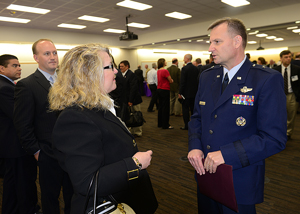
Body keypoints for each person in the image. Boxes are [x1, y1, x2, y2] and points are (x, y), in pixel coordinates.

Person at [188, 17, 286, 214]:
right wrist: (195, 147)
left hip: (239, 178)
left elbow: (274, 138)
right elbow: (197, 118)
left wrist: (227, 154)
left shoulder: (265, 79)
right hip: (206, 175)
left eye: (216, 41)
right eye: (210, 42)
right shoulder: (207, 76)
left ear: (237, 41)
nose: (210, 48)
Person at [48, 43, 158, 214]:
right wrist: (134, 163)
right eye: (110, 66)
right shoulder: (75, 118)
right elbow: (87, 182)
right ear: (89, 75)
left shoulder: (98, 106)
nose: (115, 71)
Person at [14, 39, 73, 214]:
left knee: (73, 195)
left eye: (54, 52)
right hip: (47, 153)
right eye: (47, 53)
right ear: (36, 57)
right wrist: (37, 152)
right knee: (50, 198)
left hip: (72, 152)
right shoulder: (27, 85)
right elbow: (22, 124)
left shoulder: (66, 81)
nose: (53, 57)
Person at [0, 54, 39, 214]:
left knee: (12, 183)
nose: (19, 68)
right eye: (14, 65)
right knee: (23, 183)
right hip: (16, 146)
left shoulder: (7, 85)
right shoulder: (5, 88)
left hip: (11, 146)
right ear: (2, 68)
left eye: (19, 65)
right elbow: (20, 115)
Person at [273, 50, 300, 140]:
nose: (288, 59)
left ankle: (288, 133)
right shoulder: (275, 70)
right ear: (281, 58)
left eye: (289, 57)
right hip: (279, 95)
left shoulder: (297, 69)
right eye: (286, 57)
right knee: (279, 115)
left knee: (291, 115)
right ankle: (279, 131)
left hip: (292, 95)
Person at [119, 60, 143, 137]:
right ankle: (129, 131)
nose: (120, 67)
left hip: (134, 99)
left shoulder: (132, 75)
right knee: (128, 115)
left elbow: (133, 89)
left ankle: (138, 132)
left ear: (127, 66)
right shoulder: (120, 74)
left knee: (137, 115)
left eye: (122, 66)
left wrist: (130, 100)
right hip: (125, 100)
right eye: (120, 66)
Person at [178, 54, 199, 130]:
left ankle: (186, 125)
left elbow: (182, 82)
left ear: (187, 59)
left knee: (185, 110)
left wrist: (180, 92)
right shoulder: (196, 69)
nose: (183, 59)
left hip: (186, 94)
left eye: (184, 58)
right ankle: (194, 124)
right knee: (193, 110)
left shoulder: (184, 69)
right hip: (194, 93)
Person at [157, 58, 173, 129]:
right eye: (165, 61)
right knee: (166, 107)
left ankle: (160, 123)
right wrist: (172, 80)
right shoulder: (165, 71)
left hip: (159, 89)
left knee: (160, 106)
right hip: (165, 89)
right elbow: (170, 80)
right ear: (163, 63)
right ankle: (165, 124)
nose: (166, 62)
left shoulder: (158, 71)